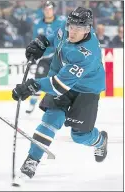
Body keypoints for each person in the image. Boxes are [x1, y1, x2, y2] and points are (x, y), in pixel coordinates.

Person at [12, 7, 108, 180]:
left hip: (86, 90)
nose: (72, 31)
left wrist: (31, 86)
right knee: (51, 119)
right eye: (71, 26)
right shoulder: (67, 26)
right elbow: (54, 38)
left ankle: (100, 140)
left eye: (78, 29)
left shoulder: (87, 53)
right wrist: (41, 43)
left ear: (87, 29)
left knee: (80, 136)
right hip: (63, 78)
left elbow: (58, 85)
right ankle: (32, 159)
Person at [26, 1, 65, 114]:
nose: (48, 11)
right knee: (39, 78)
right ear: (43, 10)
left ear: (54, 10)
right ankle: (33, 101)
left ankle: (60, 103)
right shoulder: (38, 23)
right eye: (46, 9)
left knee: (59, 80)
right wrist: (33, 54)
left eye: (50, 9)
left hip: (58, 57)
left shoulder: (61, 21)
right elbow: (36, 41)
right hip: (44, 58)